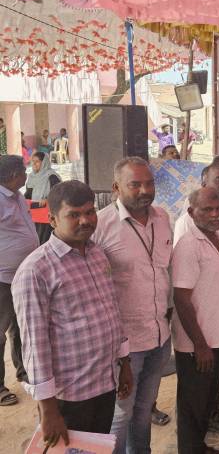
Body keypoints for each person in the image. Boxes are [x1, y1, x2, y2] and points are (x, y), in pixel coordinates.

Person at [12, 180, 133, 446]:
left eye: (89, 212)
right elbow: (34, 345)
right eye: (74, 215)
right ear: (52, 220)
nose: (85, 220)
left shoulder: (97, 254)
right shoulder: (36, 270)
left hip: (104, 382)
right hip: (69, 395)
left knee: (96, 448)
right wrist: (48, 410)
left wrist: (124, 363)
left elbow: (112, 311)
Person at [92, 157, 174, 454]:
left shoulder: (162, 218)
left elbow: (165, 271)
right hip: (124, 345)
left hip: (159, 336)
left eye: (149, 183)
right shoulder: (100, 225)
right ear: (116, 188)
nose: (145, 190)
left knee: (143, 410)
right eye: (135, 184)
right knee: (120, 415)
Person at [172, 188, 219, 454]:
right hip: (197, 344)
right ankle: (190, 449)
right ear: (191, 212)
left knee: (208, 400)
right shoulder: (188, 245)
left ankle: (198, 447)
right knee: (193, 404)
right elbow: (181, 298)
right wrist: (199, 345)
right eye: (207, 210)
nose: (214, 214)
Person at [0, 155, 37, 407]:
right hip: (2, 278)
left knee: (22, 327)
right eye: (23, 171)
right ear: (14, 175)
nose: (26, 174)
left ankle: (25, 372)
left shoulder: (18, 197)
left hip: (22, 276)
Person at [25, 151, 61, 244]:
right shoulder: (31, 177)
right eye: (33, 161)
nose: (34, 164)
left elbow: (59, 193)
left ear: (44, 162)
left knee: (45, 240)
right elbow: (28, 194)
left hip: (47, 216)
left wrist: (47, 199)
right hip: (34, 213)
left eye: (37, 161)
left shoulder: (52, 176)